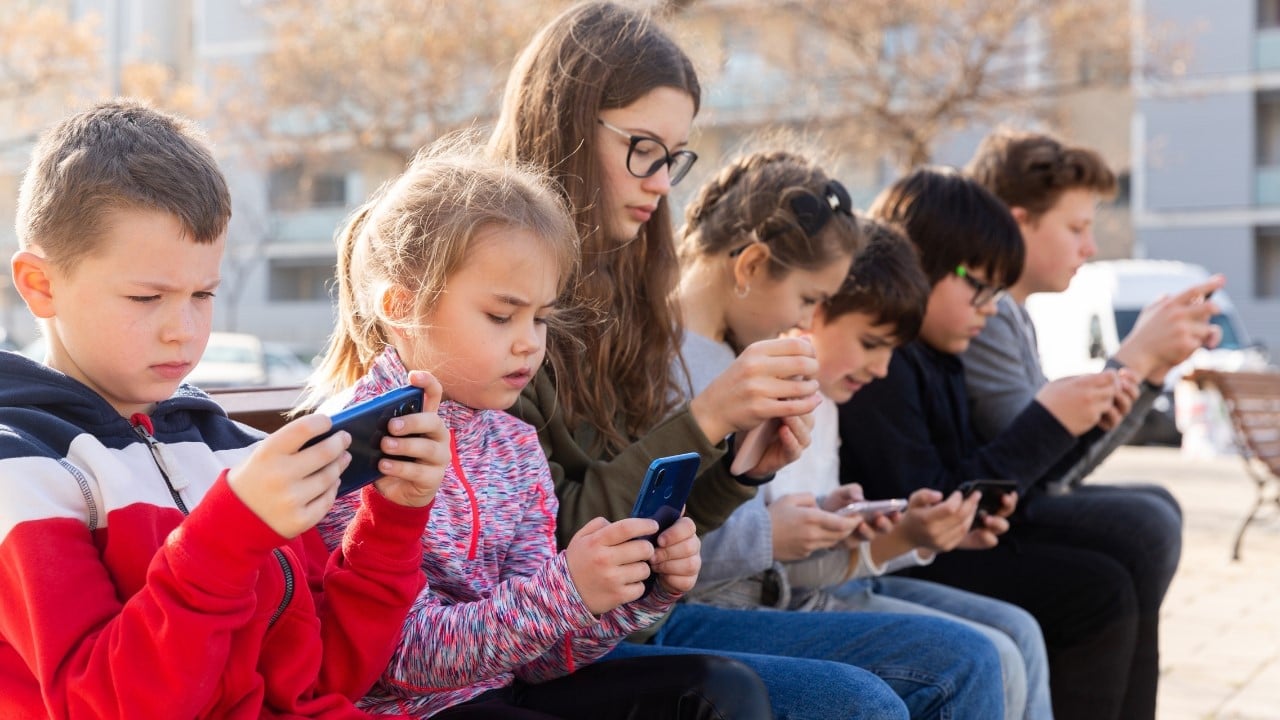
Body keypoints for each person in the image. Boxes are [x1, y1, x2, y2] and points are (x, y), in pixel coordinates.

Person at [493, 5, 1006, 717]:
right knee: (872, 699)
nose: (660, 181)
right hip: (561, 638)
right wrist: (708, 420)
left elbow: (649, 531)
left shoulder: (624, 294)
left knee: (974, 654)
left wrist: (740, 473)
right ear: (567, 126)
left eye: (673, 157)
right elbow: (561, 544)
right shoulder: (512, 304)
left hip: (633, 618)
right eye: (643, 148)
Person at [0, 99, 449, 719]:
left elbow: (326, 677)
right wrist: (227, 536)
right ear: (41, 285)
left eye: (202, 294)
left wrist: (392, 522)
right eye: (146, 297)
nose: (183, 330)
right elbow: (104, 706)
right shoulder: (21, 472)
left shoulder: (233, 450)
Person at [300, 140, 772, 720]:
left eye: (541, 317)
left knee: (720, 691)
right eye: (501, 316)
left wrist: (634, 593)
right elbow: (398, 659)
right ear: (402, 306)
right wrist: (565, 590)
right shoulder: (355, 446)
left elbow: (541, 661)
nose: (529, 342)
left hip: (504, 691)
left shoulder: (516, 445)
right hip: (410, 709)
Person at [674, 161, 1048, 720]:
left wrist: (882, 533)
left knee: (1010, 638)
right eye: (807, 300)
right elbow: (731, 561)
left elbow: (762, 544)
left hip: (775, 593)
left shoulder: (787, 385)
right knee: (974, 657)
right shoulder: (734, 373)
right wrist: (789, 536)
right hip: (725, 608)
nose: (881, 369)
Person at [838, 166, 1151, 720]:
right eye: (979, 286)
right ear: (918, 264)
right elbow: (922, 495)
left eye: (998, 291)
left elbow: (967, 477)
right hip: (895, 561)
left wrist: (1077, 425)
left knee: (1126, 549)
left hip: (935, 549)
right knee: (1097, 586)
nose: (991, 306)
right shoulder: (887, 367)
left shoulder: (942, 356)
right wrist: (1048, 422)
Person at [962, 127, 1215, 720]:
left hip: (1002, 503)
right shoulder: (988, 315)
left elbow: (1060, 463)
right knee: (1142, 524)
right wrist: (1133, 362)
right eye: (1076, 228)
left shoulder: (1011, 314)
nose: (1090, 246)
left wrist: (1144, 372)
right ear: (1019, 223)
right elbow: (1044, 470)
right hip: (983, 518)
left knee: (1153, 509)